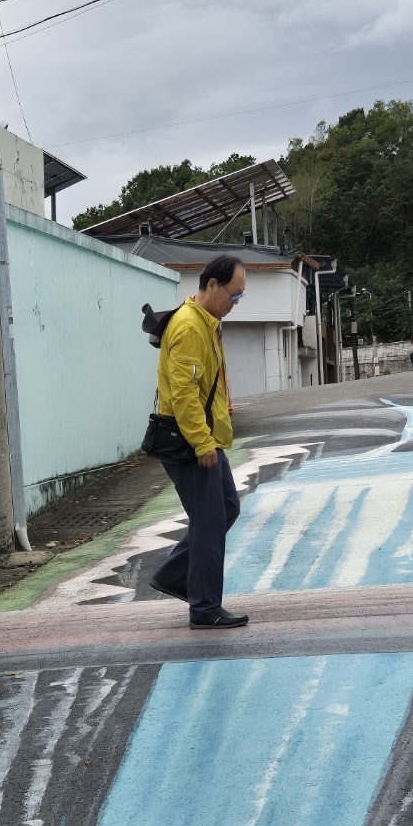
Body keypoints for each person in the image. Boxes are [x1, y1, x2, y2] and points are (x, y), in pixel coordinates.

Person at [150, 255, 248, 629]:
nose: (235, 303)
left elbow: (205, 386)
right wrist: (203, 444)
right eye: (233, 294)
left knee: (225, 508)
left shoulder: (206, 323)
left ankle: (175, 575)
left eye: (240, 296)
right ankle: (205, 608)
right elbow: (184, 392)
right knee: (209, 520)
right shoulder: (190, 327)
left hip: (205, 438)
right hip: (191, 442)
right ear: (212, 285)